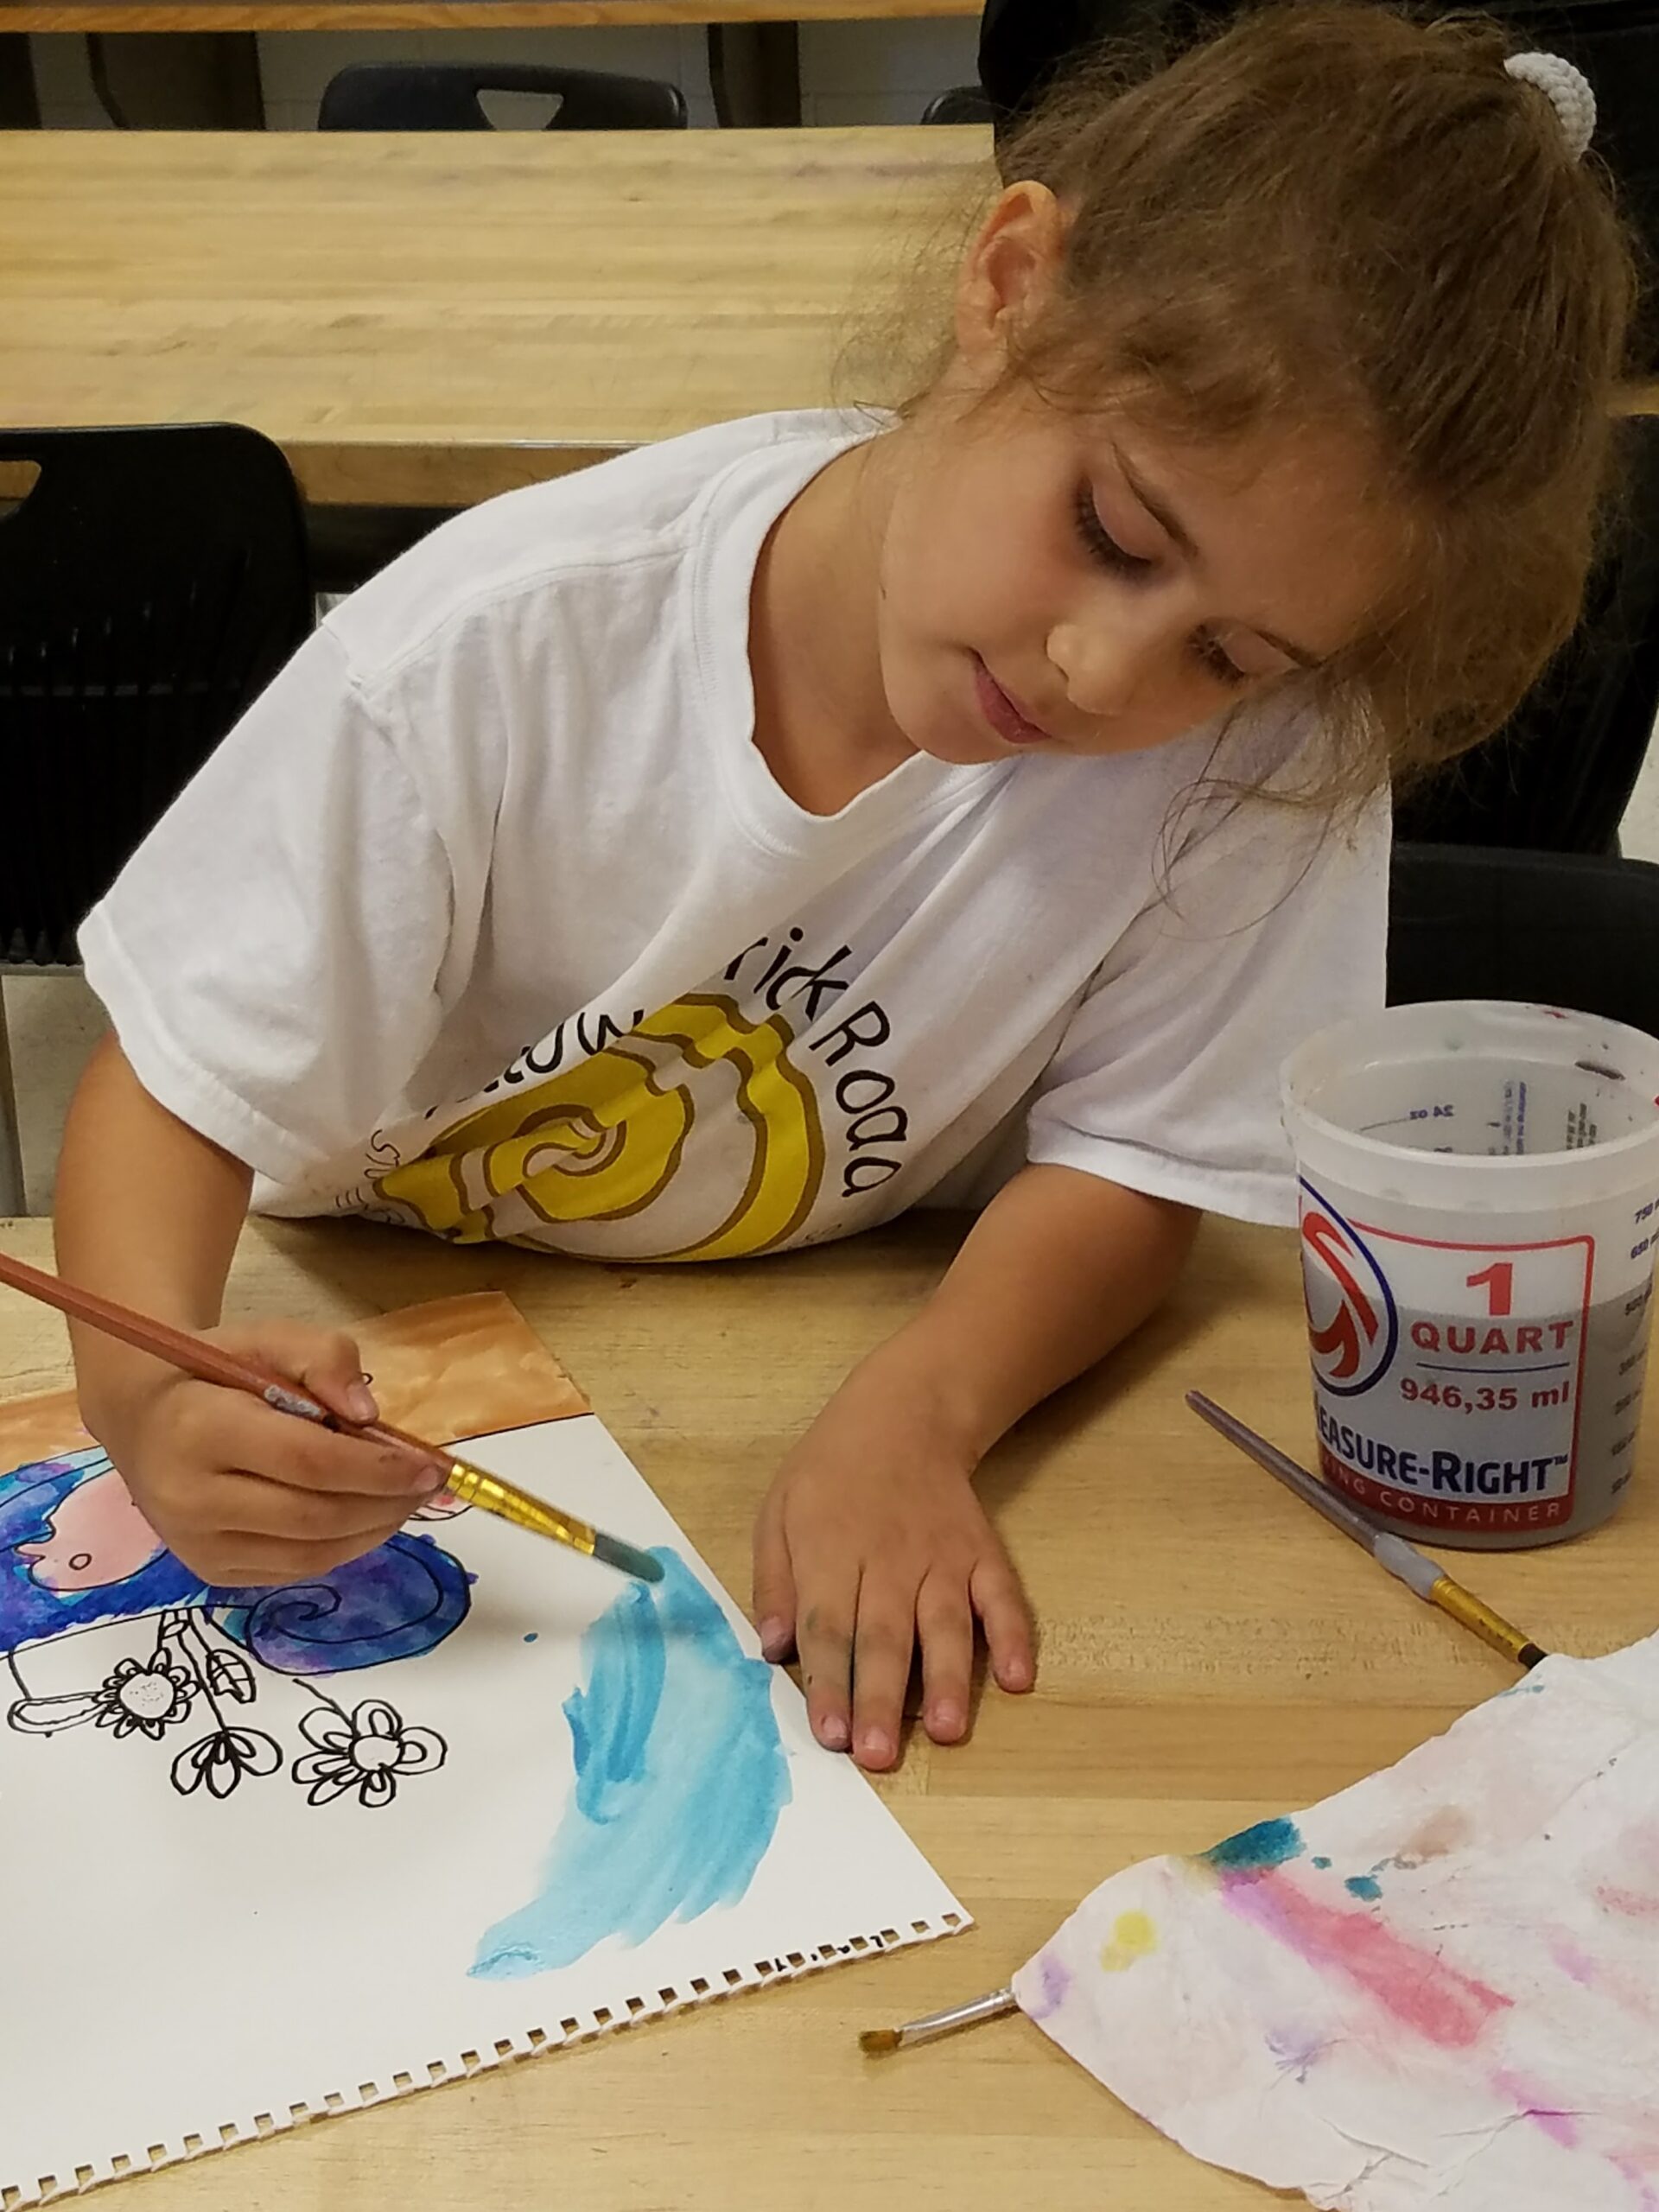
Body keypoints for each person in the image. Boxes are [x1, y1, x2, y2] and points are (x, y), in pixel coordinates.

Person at [54, 6, 1632, 1772]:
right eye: (1114, 532)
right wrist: (148, 1386)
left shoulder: (1263, 751)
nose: (1107, 672)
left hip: (821, 1310)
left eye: (1230, 649)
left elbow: (1134, 1165)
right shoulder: (492, 651)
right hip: (362, 1291)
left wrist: (918, 1408)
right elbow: (172, 1090)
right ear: (1013, 280)